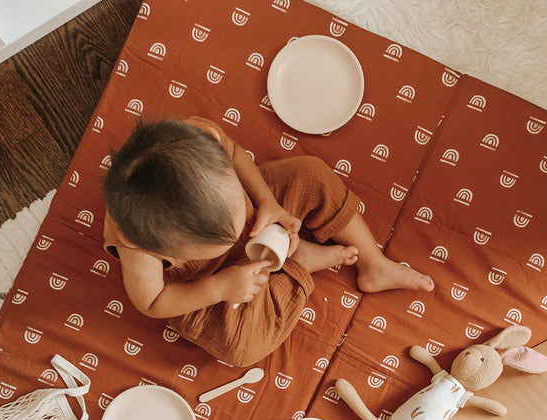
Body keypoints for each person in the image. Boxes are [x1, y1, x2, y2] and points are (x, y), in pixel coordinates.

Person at [102, 116, 434, 366]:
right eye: (223, 240)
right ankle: (297, 263)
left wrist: (266, 203)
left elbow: (237, 156)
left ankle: (373, 264)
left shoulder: (202, 139)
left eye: (237, 219)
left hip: (263, 212)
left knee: (311, 174)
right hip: (202, 282)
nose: (240, 237)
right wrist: (217, 288)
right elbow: (153, 302)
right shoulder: (138, 247)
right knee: (240, 349)